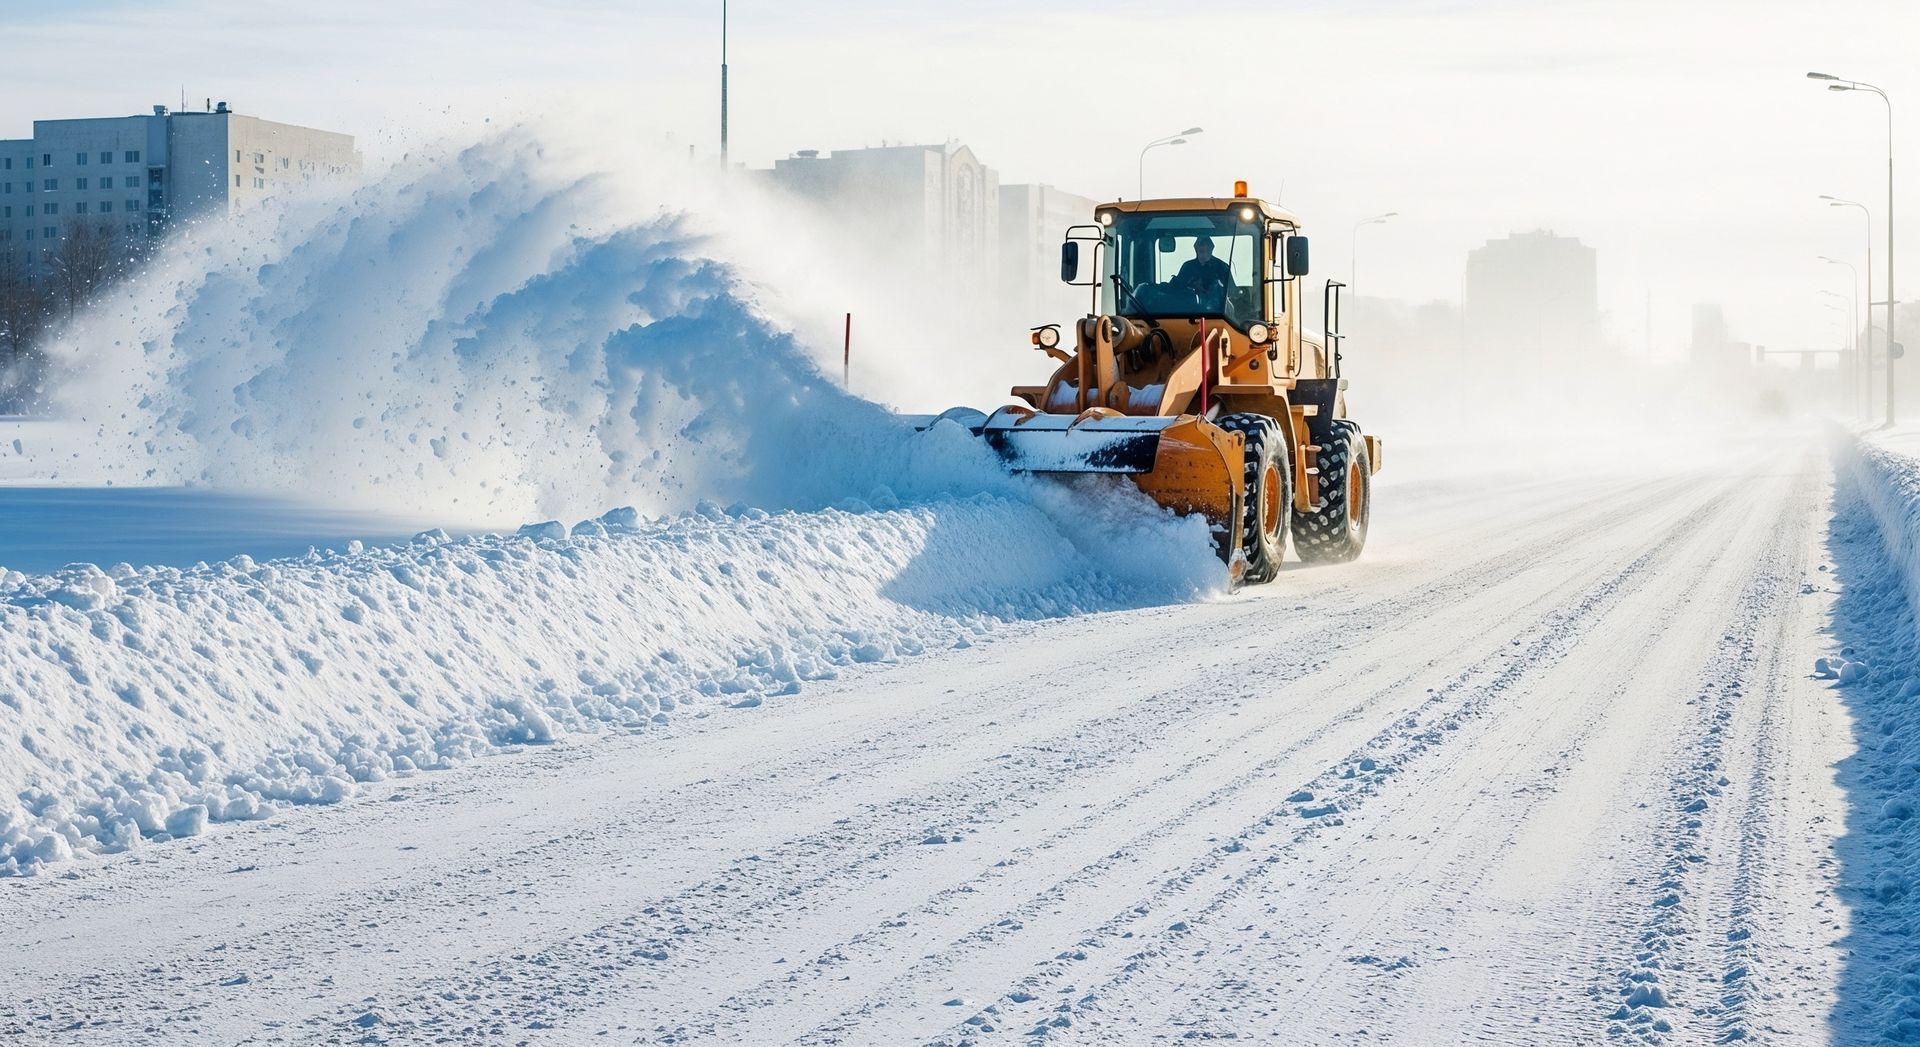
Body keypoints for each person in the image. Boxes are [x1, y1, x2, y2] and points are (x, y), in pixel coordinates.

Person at [1171, 235, 1234, 311]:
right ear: (1195, 248)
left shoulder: (1222, 267)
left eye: (1206, 245)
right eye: (1200, 246)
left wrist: (1216, 287)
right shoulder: (1187, 267)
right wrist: (1192, 287)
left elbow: (1233, 292)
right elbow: (1176, 290)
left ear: (1211, 248)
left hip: (1219, 314)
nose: (1203, 247)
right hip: (1189, 313)